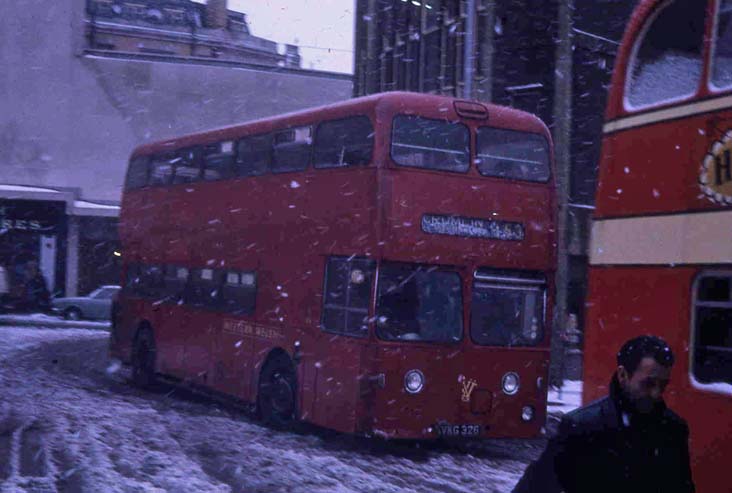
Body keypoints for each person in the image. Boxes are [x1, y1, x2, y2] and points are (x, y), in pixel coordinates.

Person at [512, 335, 695, 493]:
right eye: (648, 384)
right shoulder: (582, 428)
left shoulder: (673, 430)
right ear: (623, 375)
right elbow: (536, 486)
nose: (656, 394)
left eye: (662, 386)